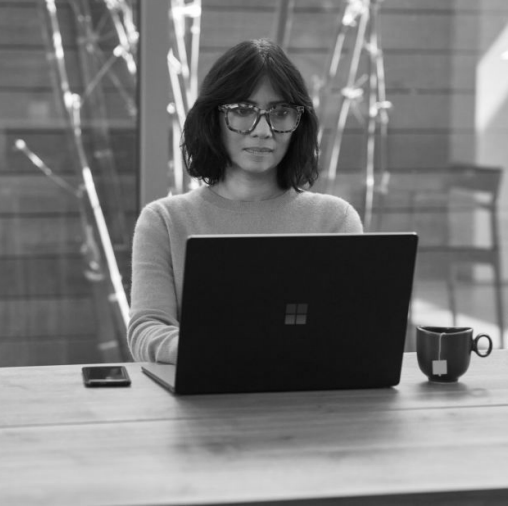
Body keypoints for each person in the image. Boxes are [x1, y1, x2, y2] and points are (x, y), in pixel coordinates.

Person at [128, 38, 363, 363]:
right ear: (212, 119)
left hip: (309, 402)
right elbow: (147, 328)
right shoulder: (164, 222)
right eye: (243, 111)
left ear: (299, 125)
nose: (263, 130)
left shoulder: (335, 220)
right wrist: (226, 350)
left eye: (280, 113)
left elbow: (355, 330)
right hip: (197, 405)